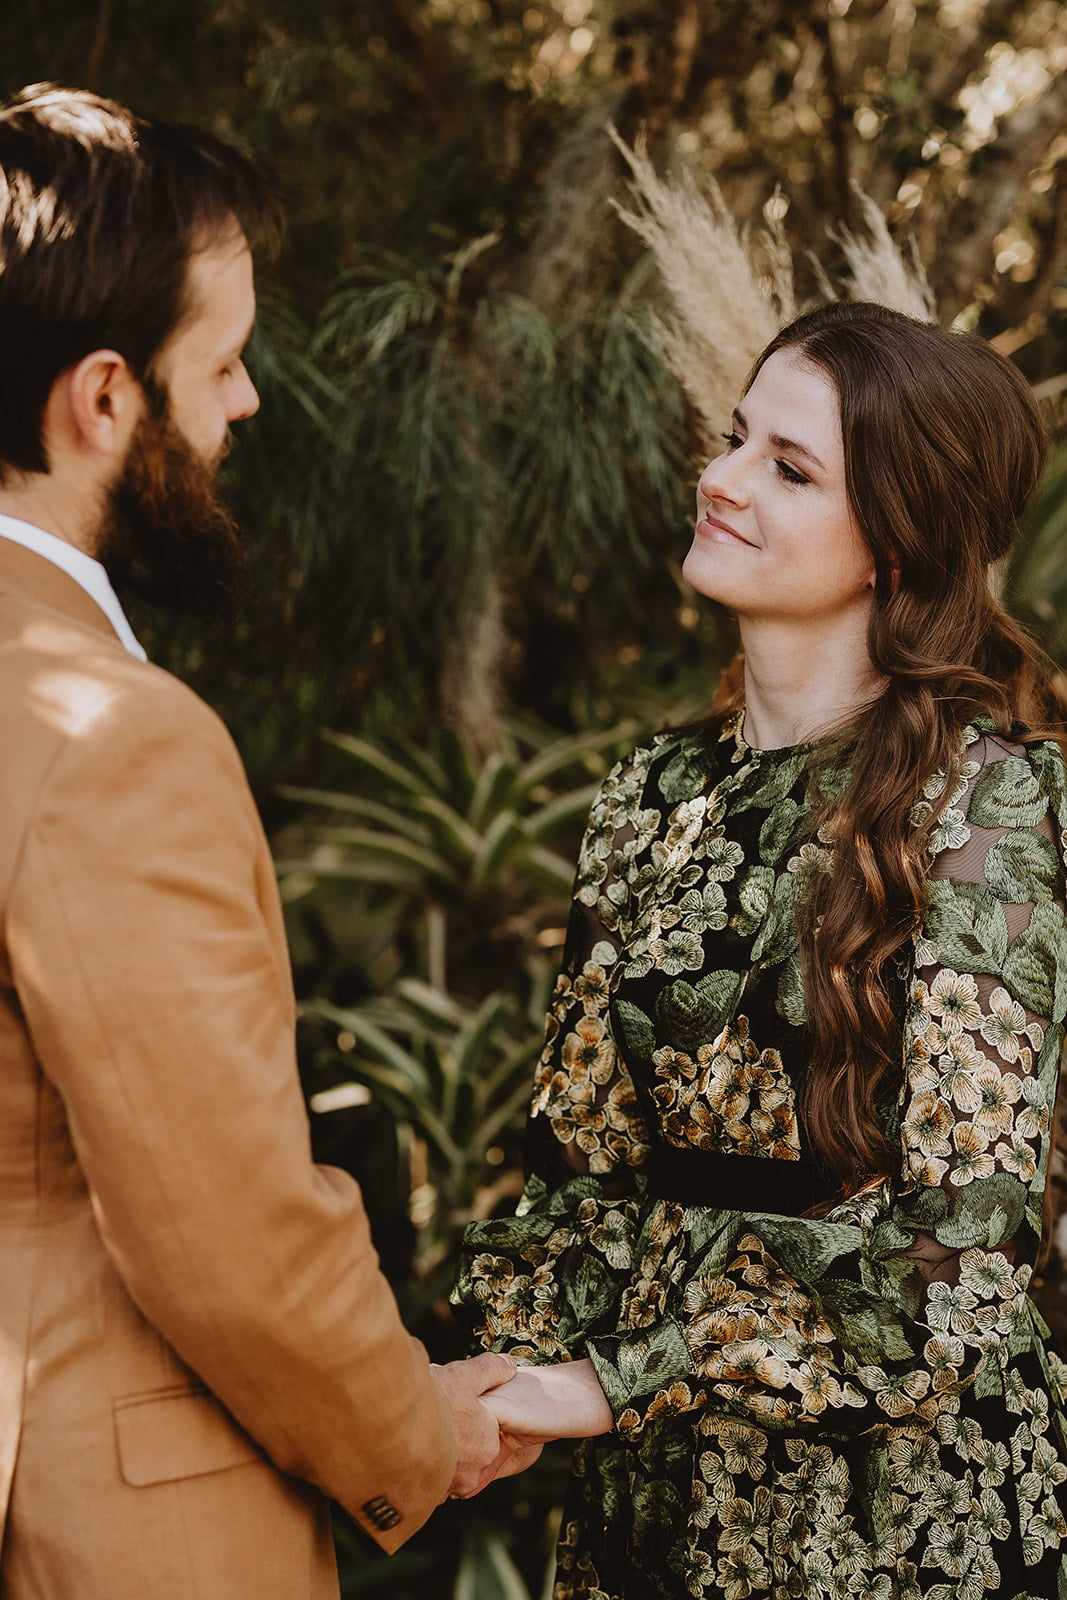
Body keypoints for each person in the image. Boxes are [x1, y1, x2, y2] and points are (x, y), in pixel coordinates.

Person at [453, 300, 1067, 1600]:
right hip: (652, 1499)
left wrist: (613, 1376)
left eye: (788, 469)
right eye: (736, 439)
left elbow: (962, 1257)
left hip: (892, 1518)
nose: (721, 479)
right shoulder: (650, 794)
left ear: (896, 545)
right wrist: (476, 1384)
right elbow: (580, 1165)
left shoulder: (987, 806)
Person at [0, 83, 521, 1600]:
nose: (246, 405)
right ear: (104, 399)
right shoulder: (112, 739)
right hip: (109, 1530)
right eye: (221, 363)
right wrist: (413, 1425)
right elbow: (224, 1229)